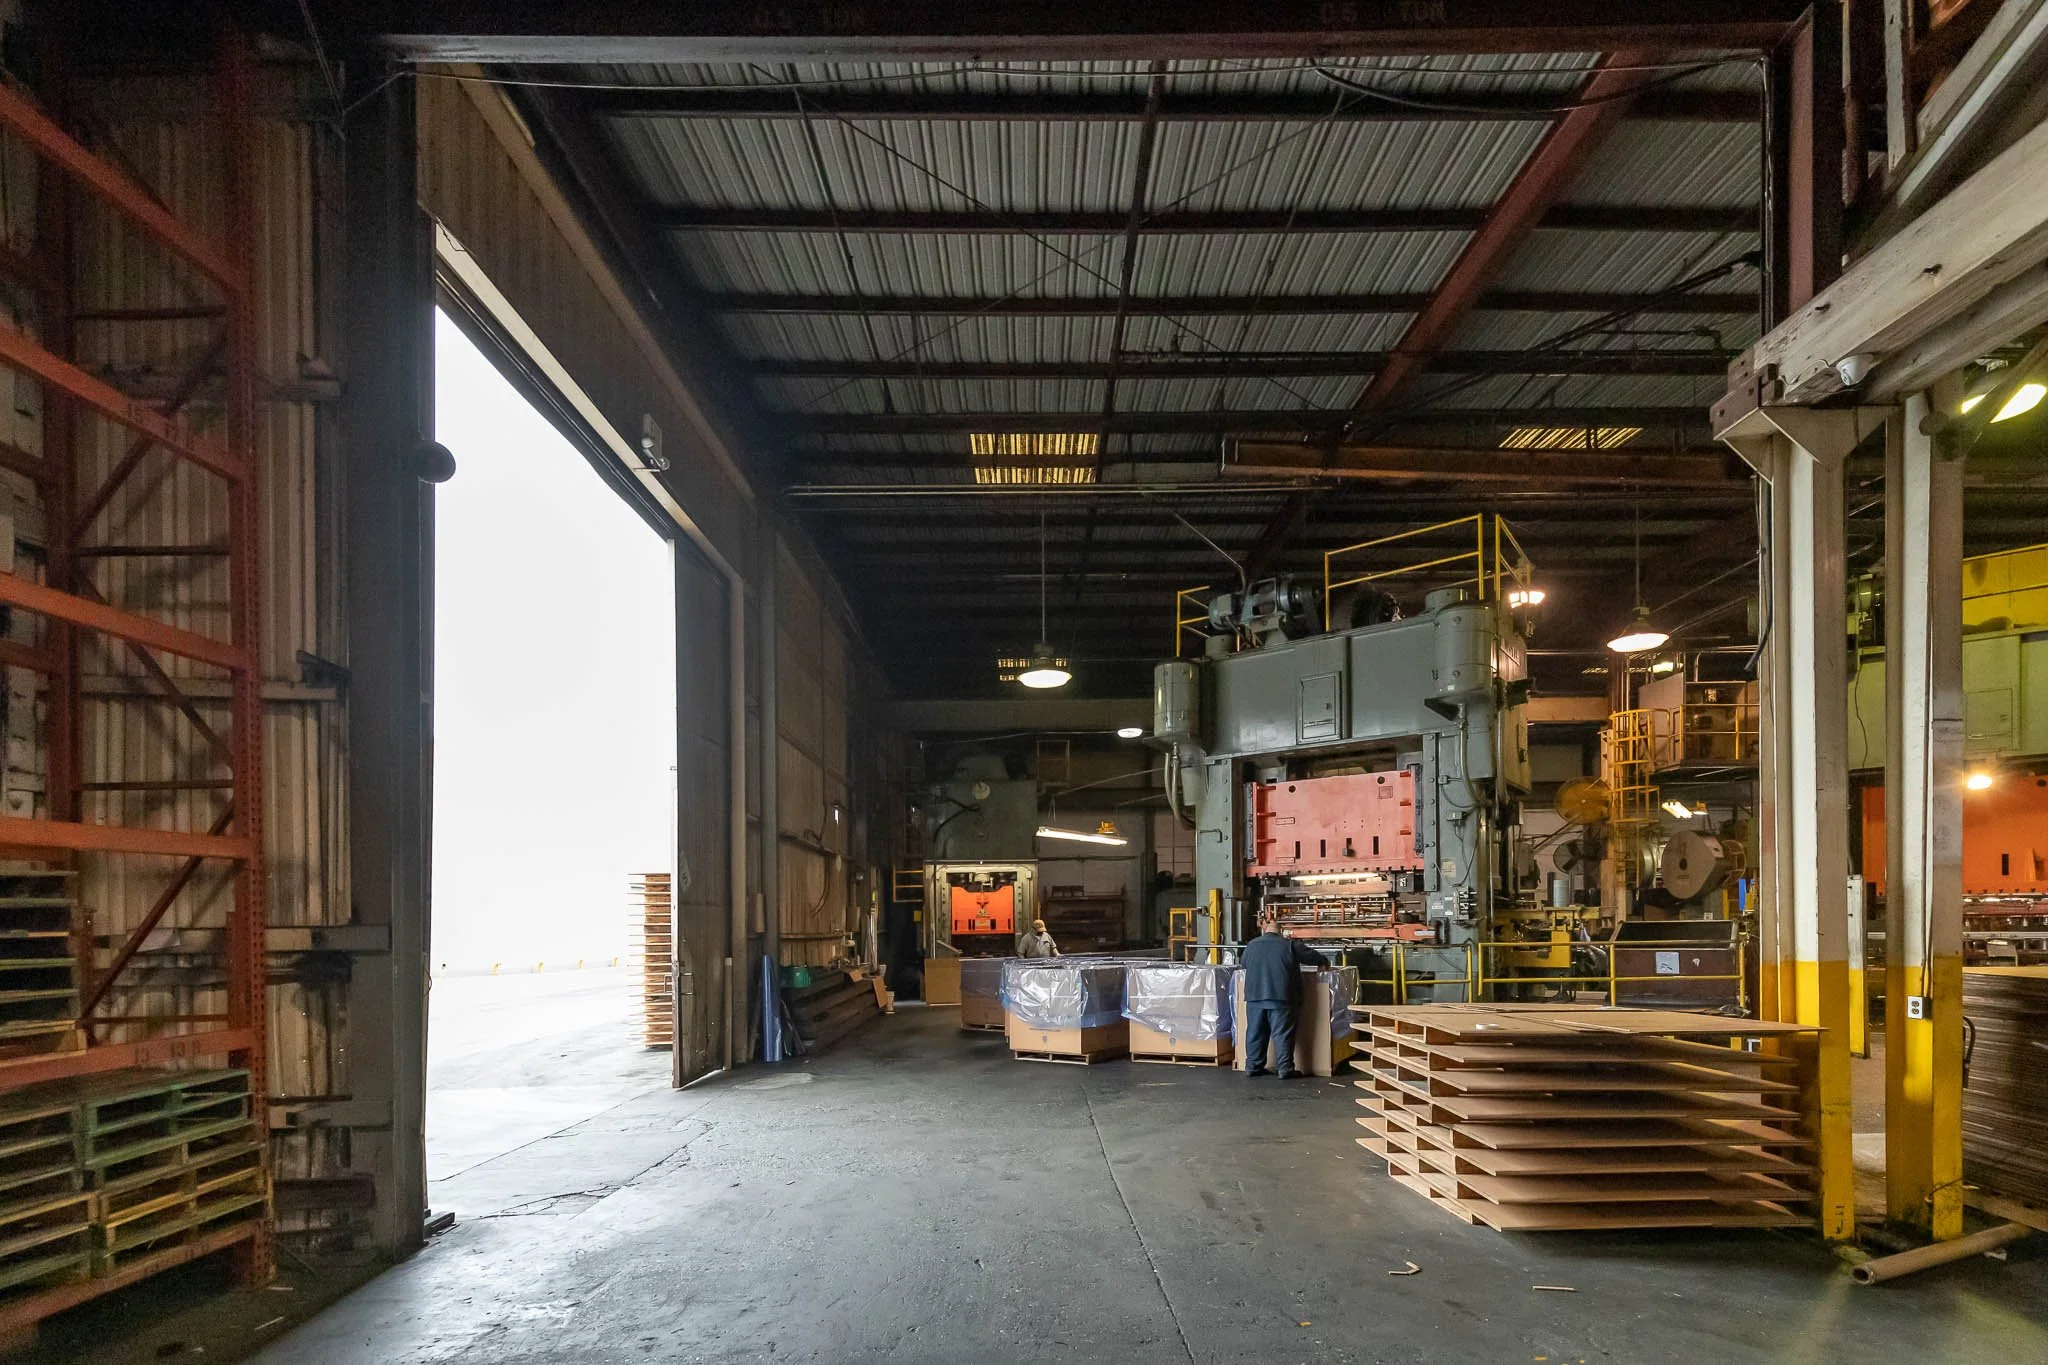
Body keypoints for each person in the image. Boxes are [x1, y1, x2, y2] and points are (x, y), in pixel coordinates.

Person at [1239, 913, 1328, 1078]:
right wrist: (1323, 961)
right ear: (1281, 931)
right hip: (1281, 997)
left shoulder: (1251, 945)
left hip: (1254, 997)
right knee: (1282, 1034)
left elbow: (1243, 963)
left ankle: (1253, 1066)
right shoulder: (1289, 945)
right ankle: (1285, 1069)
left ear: (1265, 930)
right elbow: (1312, 956)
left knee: (1255, 1033)